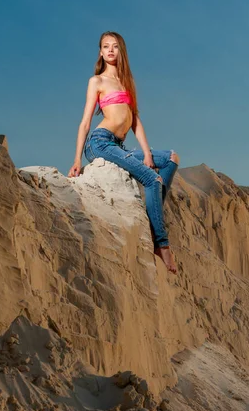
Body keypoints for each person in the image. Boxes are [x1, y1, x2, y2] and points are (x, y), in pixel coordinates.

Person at [68, 31, 179, 274]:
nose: (110, 50)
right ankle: (162, 244)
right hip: (100, 143)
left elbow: (135, 120)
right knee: (152, 178)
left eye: (114, 46)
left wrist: (147, 153)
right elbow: (85, 123)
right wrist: (77, 159)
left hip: (120, 146)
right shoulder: (96, 82)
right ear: (100, 52)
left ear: (121, 51)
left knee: (171, 158)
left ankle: (154, 217)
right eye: (105, 47)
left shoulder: (127, 82)